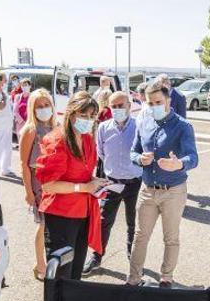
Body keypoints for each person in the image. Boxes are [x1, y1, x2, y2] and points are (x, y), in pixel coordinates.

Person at [127, 81, 198, 287]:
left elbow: (193, 158)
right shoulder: (145, 122)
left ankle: (166, 278)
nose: (154, 106)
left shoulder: (183, 126)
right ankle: (133, 279)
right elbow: (133, 151)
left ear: (168, 100)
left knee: (171, 238)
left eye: (158, 102)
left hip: (173, 191)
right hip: (147, 190)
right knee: (140, 236)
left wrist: (178, 164)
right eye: (150, 103)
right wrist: (140, 159)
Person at [35, 92, 109, 279]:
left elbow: (84, 173)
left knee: (75, 271)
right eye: (84, 115)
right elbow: (48, 185)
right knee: (61, 273)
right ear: (71, 113)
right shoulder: (57, 140)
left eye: (92, 116)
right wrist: (83, 188)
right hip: (61, 216)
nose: (88, 120)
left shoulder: (86, 139)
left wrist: (96, 183)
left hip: (82, 213)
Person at [82, 91, 143, 274]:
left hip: (135, 183)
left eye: (121, 105)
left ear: (129, 106)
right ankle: (97, 256)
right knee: (103, 222)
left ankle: (132, 255)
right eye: (113, 106)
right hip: (112, 183)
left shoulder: (139, 126)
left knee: (134, 222)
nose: (117, 109)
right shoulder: (103, 128)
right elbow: (101, 153)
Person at [19, 89, 56, 280]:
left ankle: (50, 261)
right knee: (43, 224)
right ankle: (40, 264)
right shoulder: (30, 130)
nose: (43, 109)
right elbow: (24, 164)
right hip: (39, 183)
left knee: (52, 224)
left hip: (56, 183)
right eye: (39, 106)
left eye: (46, 105)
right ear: (32, 109)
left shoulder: (55, 127)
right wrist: (28, 192)